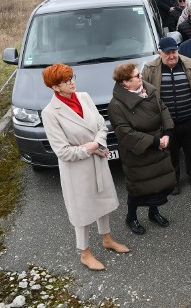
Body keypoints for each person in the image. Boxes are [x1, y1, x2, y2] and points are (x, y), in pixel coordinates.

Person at [41, 63, 129, 271]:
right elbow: (62, 151)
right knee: (82, 211)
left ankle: (107, 239)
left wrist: (97, 144)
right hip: (76, 170)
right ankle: (85, 252)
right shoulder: (50, 113)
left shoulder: (85, 97)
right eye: (66, 80)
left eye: (72, 77)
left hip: (97, 159)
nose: (72, 82)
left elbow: (101, 125)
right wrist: (90, 148)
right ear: (55, 87)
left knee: (103, 201)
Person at [108, 62, 176, 235]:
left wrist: (167, 132)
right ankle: (131, 217)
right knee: (138, 188)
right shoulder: (116, 105)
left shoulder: (149, 90)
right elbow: (125, 132)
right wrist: (154, 142)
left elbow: (163, 109)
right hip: (139, 151)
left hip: (158, 143)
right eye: (137, 76)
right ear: (125, 83)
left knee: (157, 184)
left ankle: (154, 212)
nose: (141, 77)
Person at [143, 37, 191, 193]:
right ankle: (174, 180)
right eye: (168, 53)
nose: (172, 56)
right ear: (160, 53)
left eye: (174, 52)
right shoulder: (149, 69)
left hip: (190, 119)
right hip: (166, 123)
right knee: (170, 152)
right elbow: (144, 94)